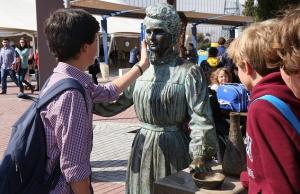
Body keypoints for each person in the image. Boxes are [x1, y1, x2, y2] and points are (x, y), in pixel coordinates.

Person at [93, 3, 217, 194]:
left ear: (173, 34)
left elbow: (201, 118)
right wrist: (82, 97)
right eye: (148, 31)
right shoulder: (140, 72)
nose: (151, 37)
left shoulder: (189, 72)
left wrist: (199, 154)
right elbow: (115, 105)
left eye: (158, 31)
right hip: (142, 149)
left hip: (174, 149)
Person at [42, 8, 149, 194]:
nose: (98, 43)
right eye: (96, 38)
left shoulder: (62, 79)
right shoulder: (71, 95)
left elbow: (108, 92)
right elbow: (74, 165)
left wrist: (141, 66)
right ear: (85, 47)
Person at [227, 18, 300, 194]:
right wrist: (251, 177)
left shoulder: (262, 108)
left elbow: (279, 182)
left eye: (237, 68)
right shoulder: (291, 93)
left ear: (247, 67)